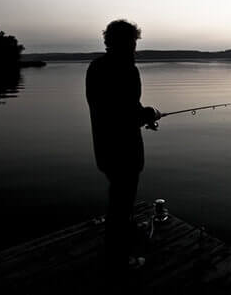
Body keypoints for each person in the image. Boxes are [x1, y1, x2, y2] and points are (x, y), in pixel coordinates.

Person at [86, 19, 161, 274]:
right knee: (122, 201)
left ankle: (120, 236)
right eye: (132, 42)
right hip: (125, 151)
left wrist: (142, 115)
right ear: (124, 42)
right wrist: (150, 113)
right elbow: (126, 112)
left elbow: (119, 107)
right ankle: (119, 263)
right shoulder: (128, 70)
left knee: (118, 197)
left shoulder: (95, 67)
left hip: (104, 148)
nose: (135, 48)